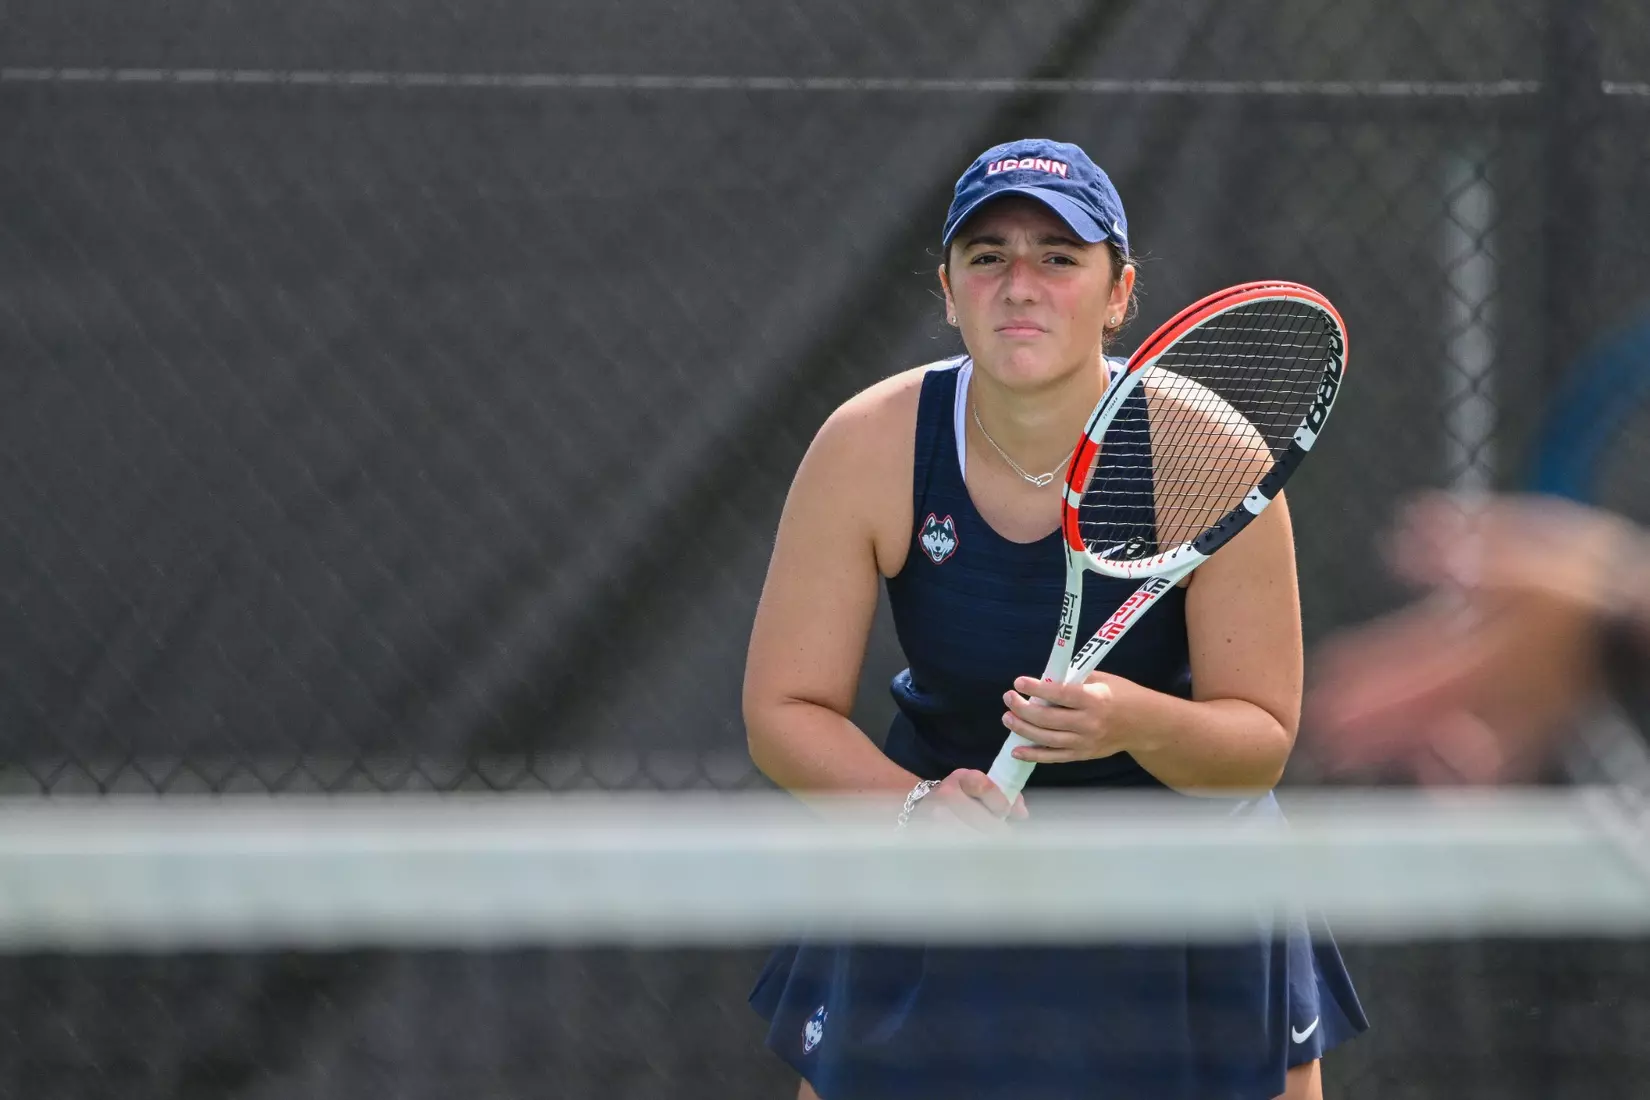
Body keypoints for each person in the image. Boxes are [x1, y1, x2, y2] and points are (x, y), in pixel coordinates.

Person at [742, 138, 1366, 1100]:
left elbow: (1260, 744)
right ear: (948, 291)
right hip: (945, 853)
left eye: (1059, 257)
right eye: (986, 257)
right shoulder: (868, 446)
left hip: (1185, 873)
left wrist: (1131, 720)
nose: (1018, 285)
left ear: (1119, 293)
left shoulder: (1213, 453)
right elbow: (783, 711)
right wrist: (914, 813)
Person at [1307, 492, 1650, 785]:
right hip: (1578, 615)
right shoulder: (1590, 568)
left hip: (1582, 640)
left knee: (1412, 693)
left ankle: (1320, 737)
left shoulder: (1570, 598)